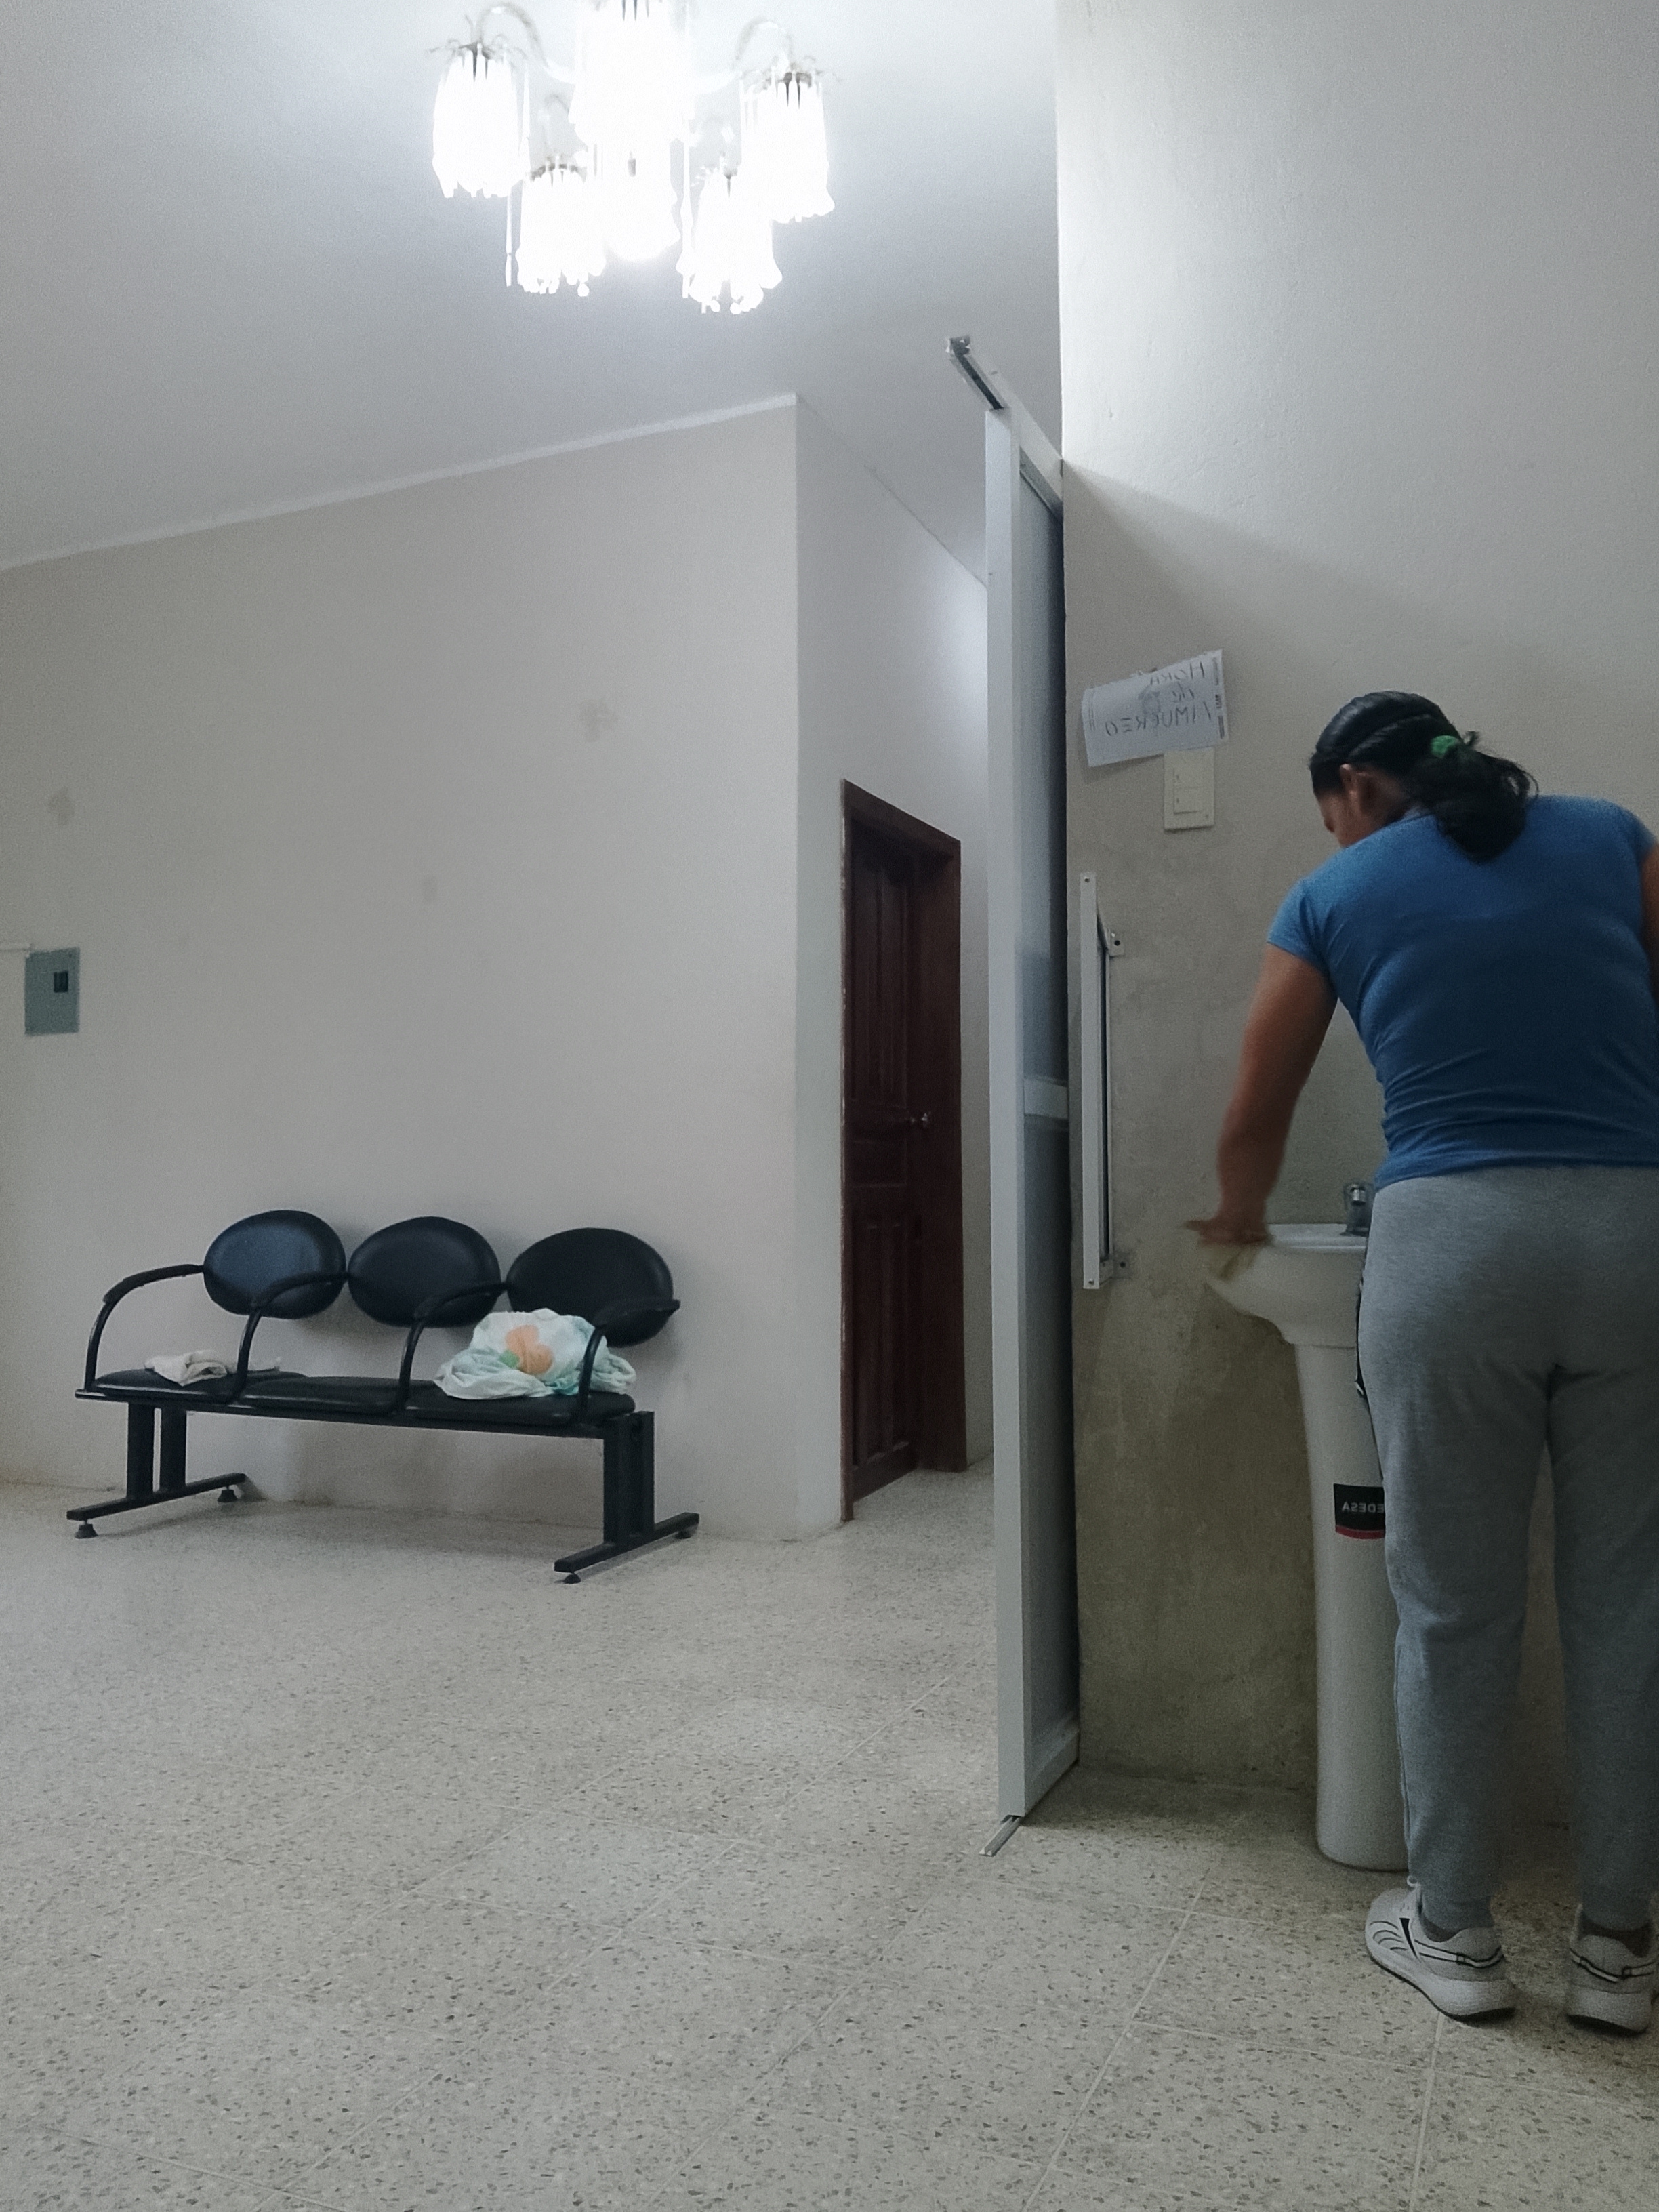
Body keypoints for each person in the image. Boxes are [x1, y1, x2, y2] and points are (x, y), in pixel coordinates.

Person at [1191, 691, 1659, 2030]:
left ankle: (1453, 1932)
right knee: (1627, 1603)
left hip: (1452, 1250)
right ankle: (1618, 1952)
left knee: (1452, 1605)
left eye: (1329, 813)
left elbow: (1258, 1100)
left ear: (1352, 785)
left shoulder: (1335, 891)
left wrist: (1236, 1216)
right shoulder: (1614, 835)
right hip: (1633, 1238)